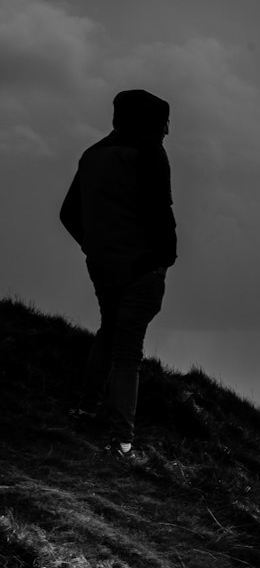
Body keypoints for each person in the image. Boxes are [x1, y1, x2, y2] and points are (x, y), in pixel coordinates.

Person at [60, 89, 176, 457]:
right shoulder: (148, 153)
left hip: (103, 266)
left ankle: (85, 408)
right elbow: (161, 213)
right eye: (163, 123)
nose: (167, 131)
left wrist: (93, 246)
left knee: (108, 333)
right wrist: (164, 260)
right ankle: (123, 442)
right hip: (141, 268)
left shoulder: (91, 155)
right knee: (128, 351)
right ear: (150, 122)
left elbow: (68, 214)